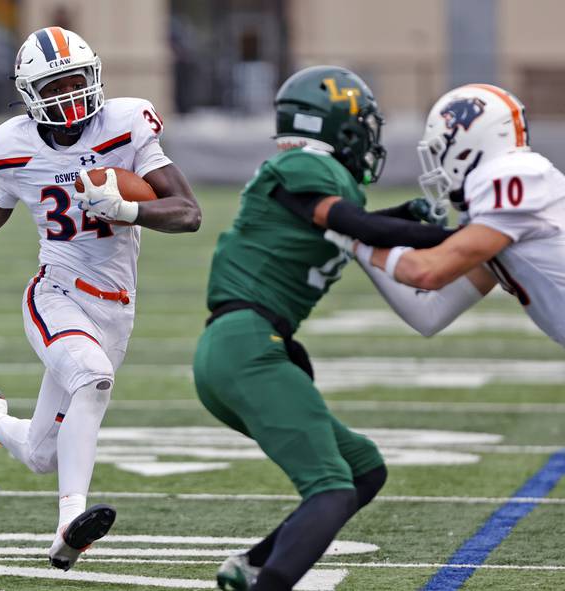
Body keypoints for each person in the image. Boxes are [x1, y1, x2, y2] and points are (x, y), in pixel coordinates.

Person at [0, 26, 201, 571]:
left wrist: (128, 210)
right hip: (56, 293)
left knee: (41, 453)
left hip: (116, 306)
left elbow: (188, 213)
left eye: (76, 80)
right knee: (93, 378)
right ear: (29, 94)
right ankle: (68, 524)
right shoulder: (13, 147)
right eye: (54, 86)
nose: (69, 94)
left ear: (95, 76)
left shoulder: (126, 125)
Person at [191, 65, 462, 591]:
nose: (368, 140)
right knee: (331, 489)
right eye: (361, 128)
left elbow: (351, 225)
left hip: (247, 347)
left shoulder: (312, 182)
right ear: (335, 128)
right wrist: (460, 239)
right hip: (246, 347)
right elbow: (358, 226)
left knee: (363, 469)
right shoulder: (302, 165)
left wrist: (407, 216)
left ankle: (251, 567)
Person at [325, 83, 565, 347]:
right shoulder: (501, 220)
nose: (438, 164)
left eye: (439, 151)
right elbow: (429, 313)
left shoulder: (514, 177)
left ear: (467, 144)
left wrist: (353, 234)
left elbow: (427, 271)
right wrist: (356, 244)